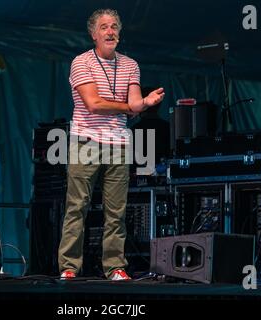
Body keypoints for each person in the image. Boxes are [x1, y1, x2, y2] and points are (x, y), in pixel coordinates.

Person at [58, 8, 165, 280]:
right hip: (86, 141)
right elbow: (93, 104)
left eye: (115, 26)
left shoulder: (130, 65)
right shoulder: (81, 62)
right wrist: (128, 107)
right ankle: (69, 267)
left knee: (116, 212)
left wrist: (145, 103)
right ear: (93, 34)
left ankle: (115, 267)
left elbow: (136, 104)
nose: (111, 31)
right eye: (104, 27)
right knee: (77, 207)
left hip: (119, 144)